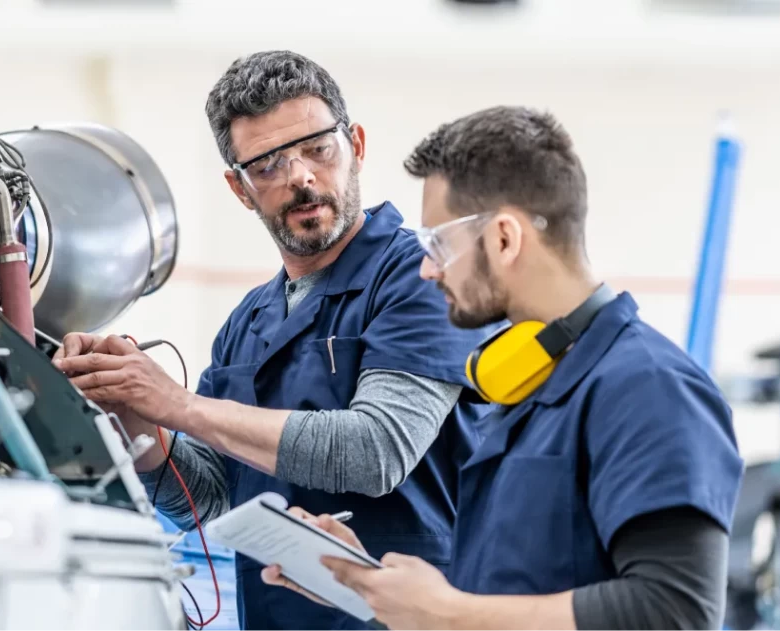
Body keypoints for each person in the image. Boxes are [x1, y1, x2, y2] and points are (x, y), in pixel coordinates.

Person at [52, 51, 498, 630]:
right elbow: (212, 499)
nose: (300, 177)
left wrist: (177, 404)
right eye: (266, 165)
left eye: (318, 149)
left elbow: (378, 452)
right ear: (240, 189)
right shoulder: (248, 322)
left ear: (356, 146)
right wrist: (135, 418)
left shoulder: (422, 276)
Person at [263, 105, 746, 631]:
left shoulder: (647, 387)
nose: (428, 269)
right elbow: (507, 597)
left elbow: (675, 612)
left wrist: (447, 613)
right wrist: (371, 586)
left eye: (438, 244)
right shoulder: (530, 392)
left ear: (504, 238)